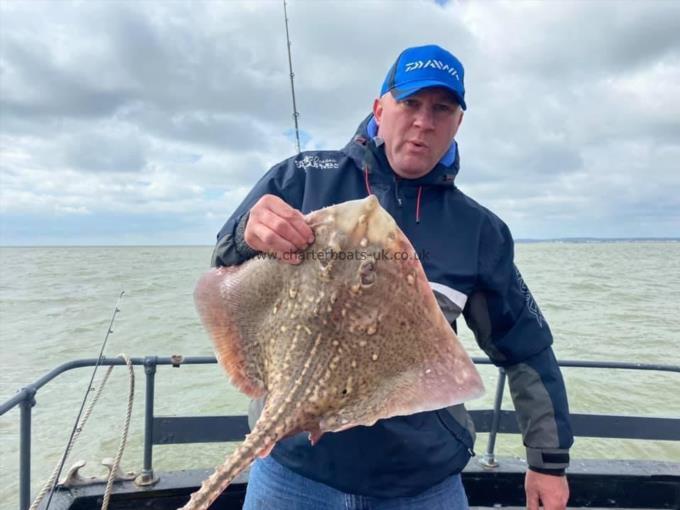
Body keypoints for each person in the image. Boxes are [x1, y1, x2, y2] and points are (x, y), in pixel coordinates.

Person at [211, 44, 573, 510]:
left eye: (442, 109)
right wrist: (247, 232)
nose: (424, 121)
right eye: (410, 104)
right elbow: (223, 265)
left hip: (420, 481)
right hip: (293, 467)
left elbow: (525, 347)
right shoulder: (301, 179)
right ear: (379, 109)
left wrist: (548, 461)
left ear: (458, 123)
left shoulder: (478, 231)